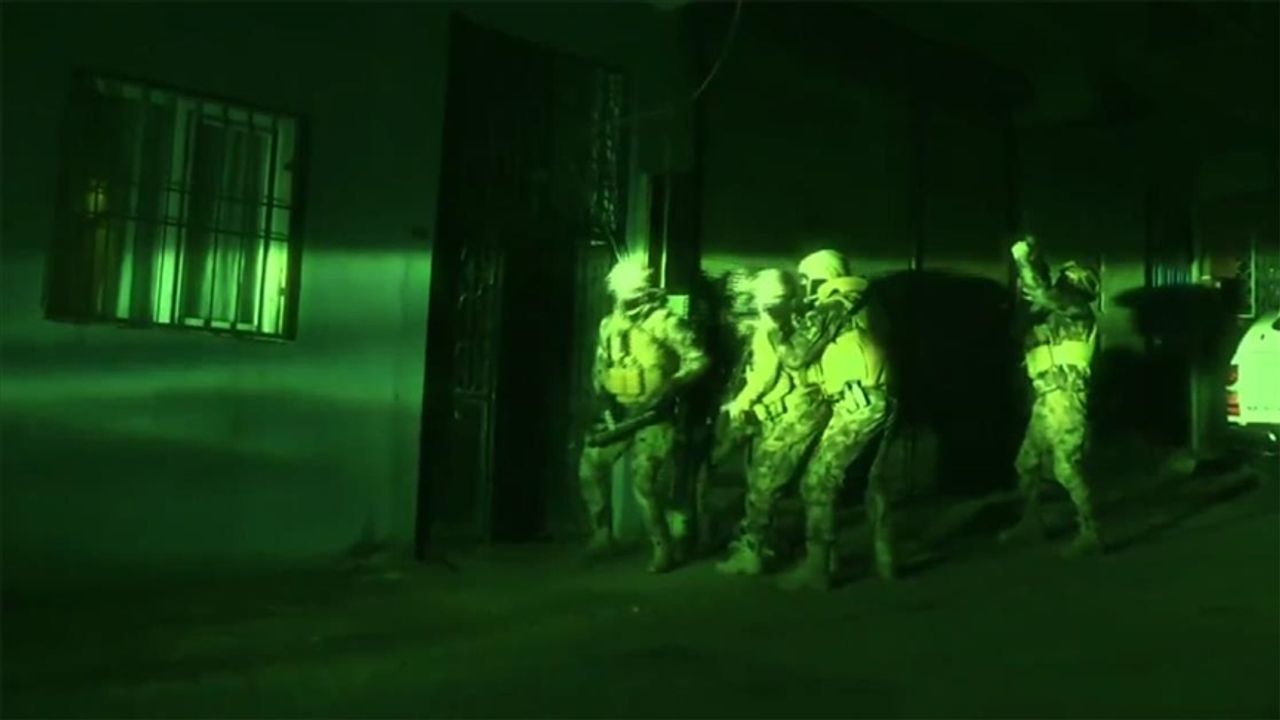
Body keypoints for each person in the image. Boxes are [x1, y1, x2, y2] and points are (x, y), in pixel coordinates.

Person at [579, 256, 709, 573]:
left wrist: (672, 387)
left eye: (635, 294)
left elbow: (698, 360)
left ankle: (663, 548)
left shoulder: (666, 322)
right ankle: (602, 534)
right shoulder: (609, 325)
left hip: (656, 416)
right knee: (589, 467)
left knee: (644, 483)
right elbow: (600, 365)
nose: (629, 301)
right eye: (624, 293)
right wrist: (602, 398)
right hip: (622, 412)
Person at [776, 250, 895, 590]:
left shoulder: (833, 306)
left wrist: (779, 329)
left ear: (822, 277)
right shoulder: (866, 301)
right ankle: (886, 559)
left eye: (806, 280)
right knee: (874, 481)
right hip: (882, 398)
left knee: (817, 481)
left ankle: (818, 567)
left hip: (857, 404)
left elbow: (796, 356)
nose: (803, 287)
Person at [715, 269, 832, 576]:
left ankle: (753, 553)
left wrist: (741, 402)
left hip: (789, 415)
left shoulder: (771, 327)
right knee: (792, 483)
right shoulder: (803, 321)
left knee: (763, 485)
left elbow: (765, 376)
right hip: (807, 411)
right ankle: (792, 546)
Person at [1003, 235, 1103, 556]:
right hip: (1047, 399)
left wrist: (1023, 259)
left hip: (1067, 398)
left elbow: (1044, 294)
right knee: (1026, 463)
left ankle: (1090, 530)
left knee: (1066, 467)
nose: (1062, 281)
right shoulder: (1055, 315)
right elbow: (1031, 311)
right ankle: (1032, 521)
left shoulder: (1078, 311)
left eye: (1067, 278)